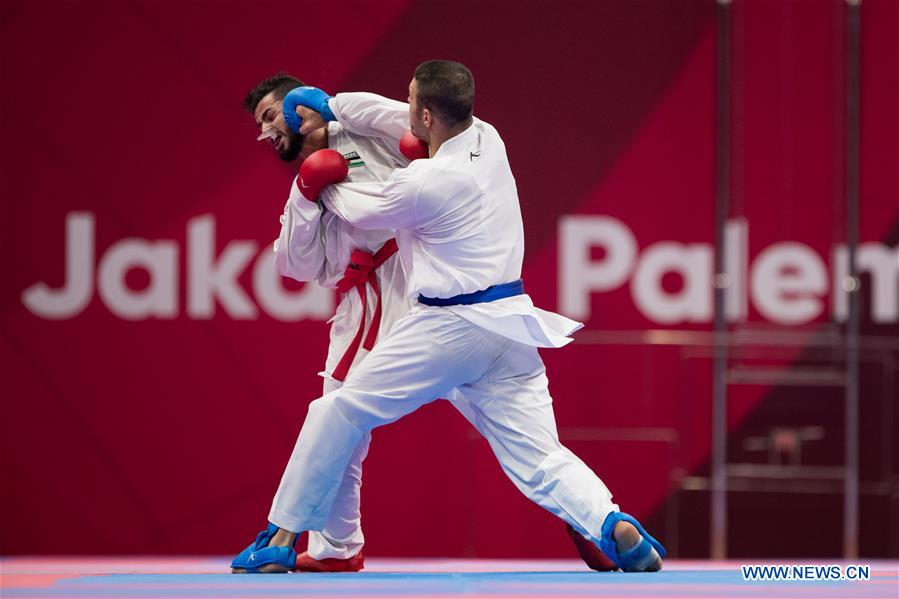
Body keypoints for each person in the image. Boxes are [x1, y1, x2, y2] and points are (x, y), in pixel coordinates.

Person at [233, 62, 662, 574]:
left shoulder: (423, 182)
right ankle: (606, 521)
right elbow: (300, 258)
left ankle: (280, 537)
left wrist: (314, 183)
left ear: (427, 114)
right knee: (538, 455)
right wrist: (334, 108)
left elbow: (366, 208)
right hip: (506, 324)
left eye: (270, 115)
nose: (265, 130)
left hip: (441, 325)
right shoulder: (488, 137)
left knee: (337, 414)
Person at [242, 73, 413, 572]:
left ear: (300, 106)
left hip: (423, 289)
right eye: (260, 126)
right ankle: (336, 547)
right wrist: (305, 190)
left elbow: (425, 129)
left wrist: (337, 106)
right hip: (365, 307)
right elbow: (294, 266)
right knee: (338, 428)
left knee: (494, 412)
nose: (267, 133)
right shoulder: (309, 181)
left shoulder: (368, 130)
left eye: (272, 117)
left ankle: (589, 516)